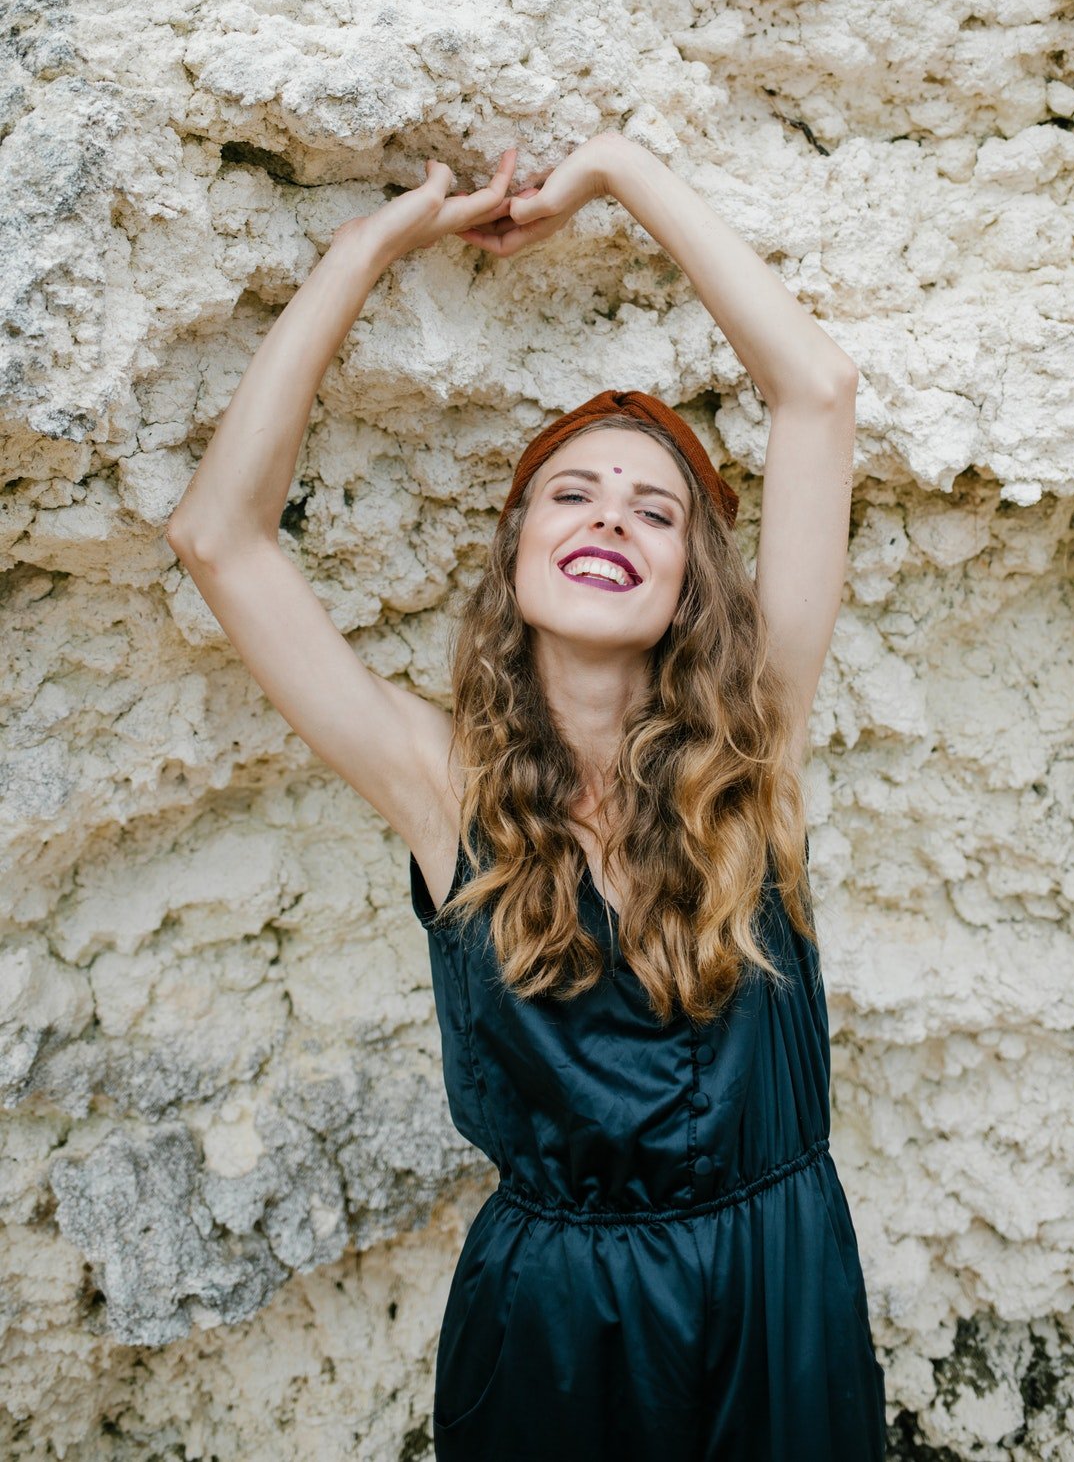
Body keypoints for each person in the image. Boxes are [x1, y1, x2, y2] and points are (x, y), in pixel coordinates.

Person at [166, 129, 886, 1459]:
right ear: (517, 558)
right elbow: (219, 537)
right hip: (553, 1327)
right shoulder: (443, 786)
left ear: (691, 584)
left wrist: (613, 167)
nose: (609, 516)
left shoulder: (753, 750)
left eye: (655, 510)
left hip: (777, 1299)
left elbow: (816, 391)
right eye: (572, 490)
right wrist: (370, 245)